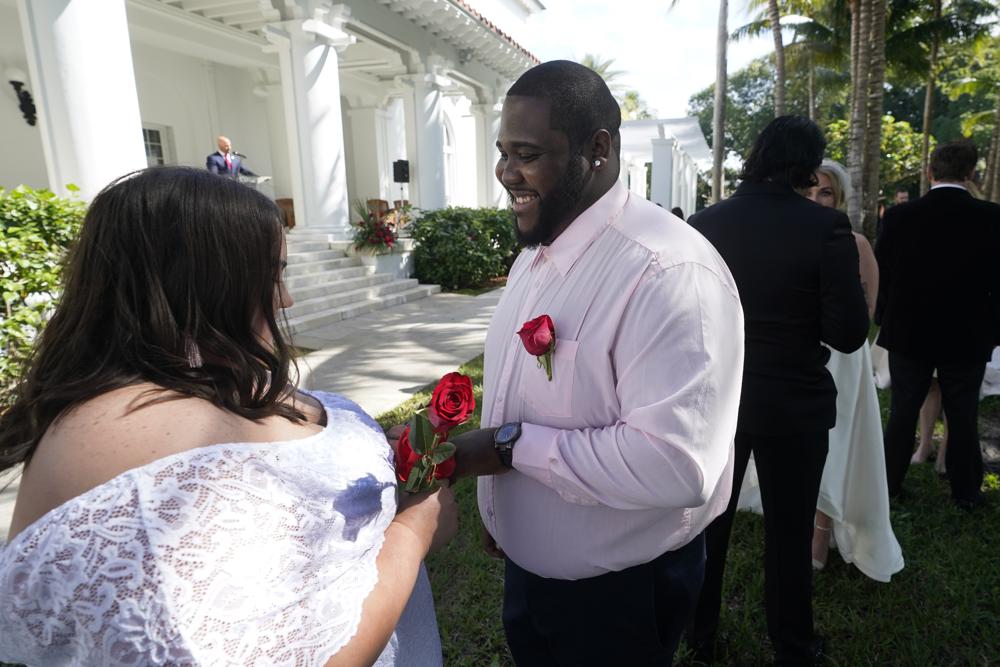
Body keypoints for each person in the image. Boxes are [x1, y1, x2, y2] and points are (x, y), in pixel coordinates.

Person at [0, 167, 456, 666]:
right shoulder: (113, 439)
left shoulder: (190, 388)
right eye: (273, 275)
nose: (286, 298)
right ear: (202, 284)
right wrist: (411, 532)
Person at [447, 60, 745, 666]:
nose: (507, 174)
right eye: (503, 153)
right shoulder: (538, 252)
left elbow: (675, 463)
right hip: (533, 580)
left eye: (527, 154)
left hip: (619, 597)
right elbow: (518, 390)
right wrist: (503, 514)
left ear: (598, 149)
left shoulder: (667, 271)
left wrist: (506, 449)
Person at [688, 117, 869, 666]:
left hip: (716, 401)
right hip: (794, 402)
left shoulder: (704, 223)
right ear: (809, 167)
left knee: (706, 529)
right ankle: (792, 644)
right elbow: (847, 333)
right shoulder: (825, 228)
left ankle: (698, 638)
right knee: (790, 534)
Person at [737, 159, 903, 581]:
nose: (815, 199)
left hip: (841, 358)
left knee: (838, 440)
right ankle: (797, 516)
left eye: (824, 193)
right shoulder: (782, 236)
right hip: (792, 354)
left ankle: (822, 528)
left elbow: (864, 313)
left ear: (839, 198)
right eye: (808, 191)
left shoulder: (856, 243)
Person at [876, 140, 1000, 509]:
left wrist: (884, 320)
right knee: (963, 416)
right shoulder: (993, 217)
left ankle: (888, 485)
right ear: (971, 174)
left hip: (910, 331)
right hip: (968, 334)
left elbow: (884, 274)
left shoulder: (899, 217)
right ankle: (965, 492)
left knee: (902, 413)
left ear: (930, 172)